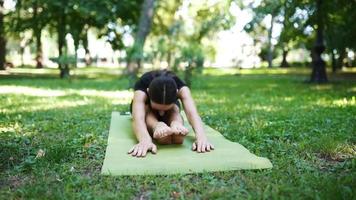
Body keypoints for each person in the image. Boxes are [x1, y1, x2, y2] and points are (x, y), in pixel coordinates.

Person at [128, 70, 214, 157]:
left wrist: (201, 137)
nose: (161, 114)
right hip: (148, 109)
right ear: (148, 91)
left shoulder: (182, 88)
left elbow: (192, 114)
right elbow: (138, 118)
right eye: (158, 108)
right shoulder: (142, 88)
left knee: (174, 109)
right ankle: (157, 126)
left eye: (165, 109)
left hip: (172, 109)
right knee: (146, 109)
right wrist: (144, 140)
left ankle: (176, 123)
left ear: (177, 92)